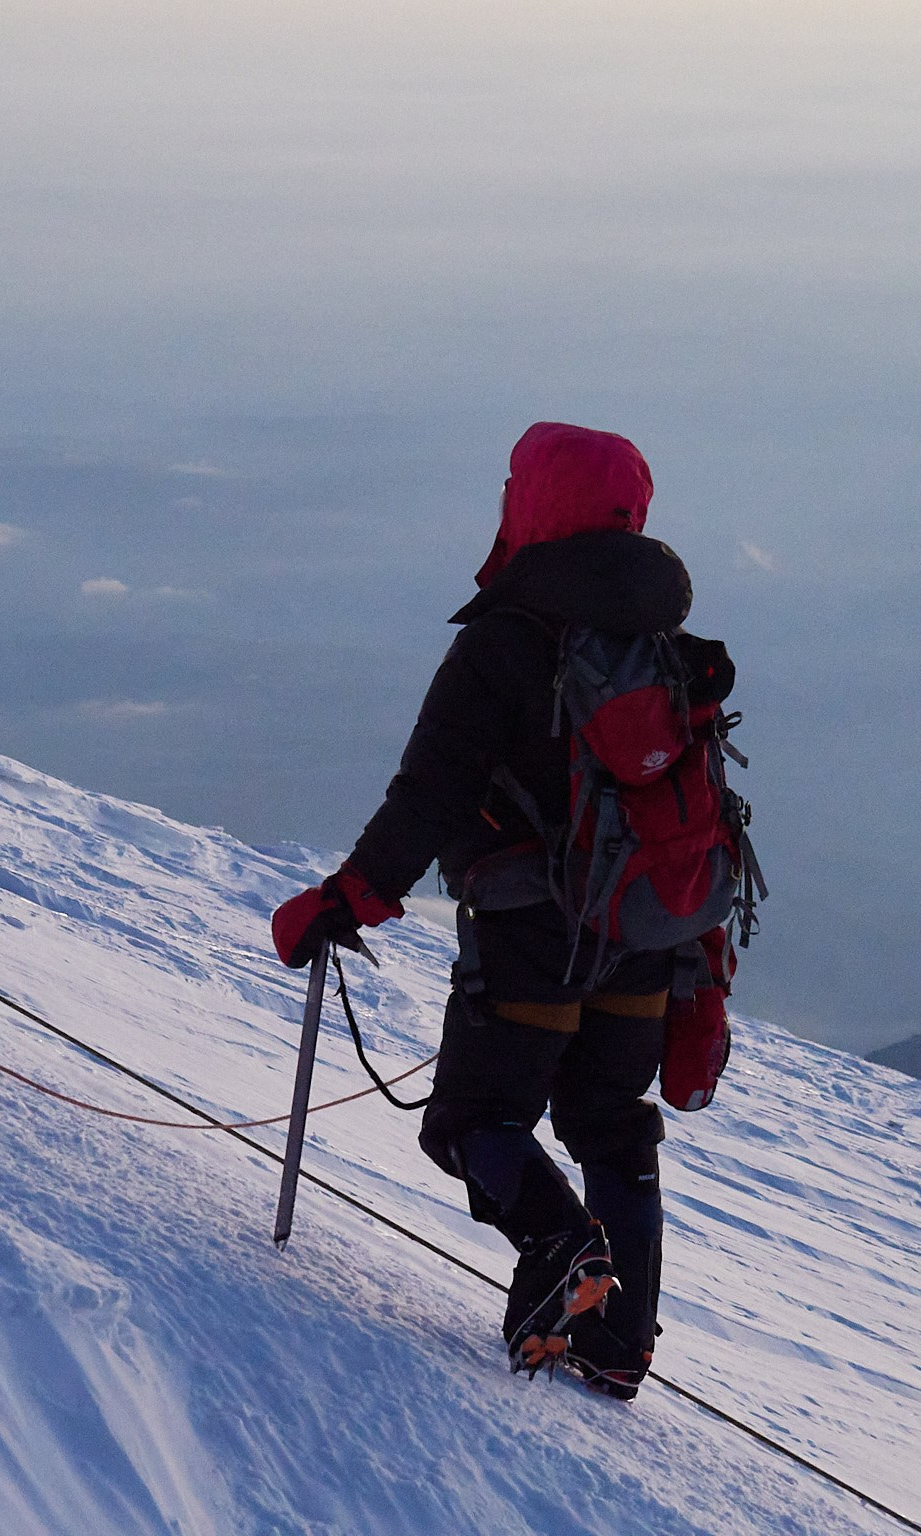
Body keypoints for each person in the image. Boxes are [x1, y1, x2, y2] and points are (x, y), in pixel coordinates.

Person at [271, 420, 745, 1400]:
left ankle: (560, 1248)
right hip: (647, 936)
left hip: (533, 937)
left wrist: (346, 900)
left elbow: (429, 795)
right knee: (610, 1122)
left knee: (469, 1120)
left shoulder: (503, 644)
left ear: (534, 506)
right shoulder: (660, 645)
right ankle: (617, 1347)